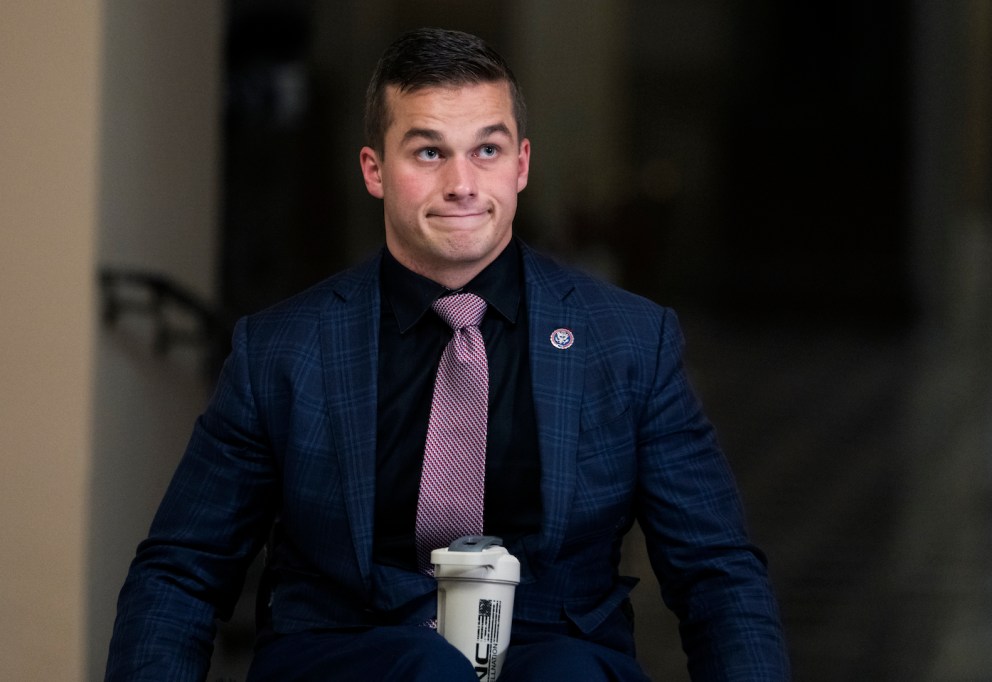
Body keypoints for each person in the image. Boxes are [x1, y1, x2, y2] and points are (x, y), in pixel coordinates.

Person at [106, 27, 790, 681]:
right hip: (353, 657)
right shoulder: (284, 350)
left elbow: (718, 573)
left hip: (555, 655)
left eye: (486, 150)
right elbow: (182, 570)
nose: (462, 183)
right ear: (375, 169)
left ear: (521, 164)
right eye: (429, 152)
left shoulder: (631, 341)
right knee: (427, 671)